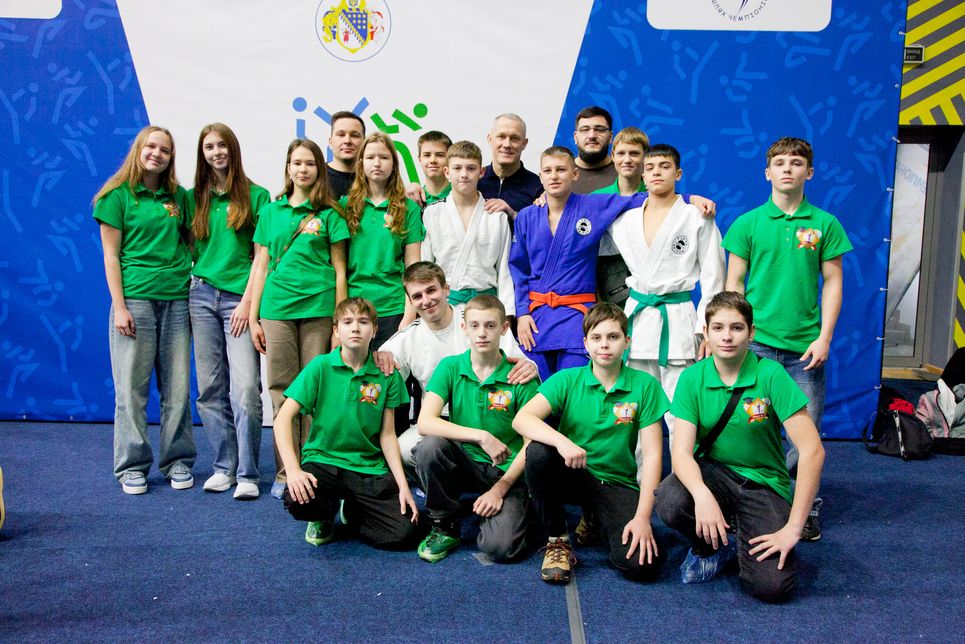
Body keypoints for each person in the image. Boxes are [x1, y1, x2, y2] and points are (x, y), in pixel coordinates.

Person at [655, 291, 825, 602]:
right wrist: (702, 495)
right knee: (670, 499)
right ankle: (713, 546)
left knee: (772, 588)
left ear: (751, 332)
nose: (727, 336)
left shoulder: (770, 374)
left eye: (736, 327)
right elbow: (680, 453)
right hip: (714, 475)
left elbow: (813, 451)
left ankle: (740, 531)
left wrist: (793, 528)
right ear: (706, 333)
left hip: (763, 483)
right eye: (718, 328)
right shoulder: (692, 378)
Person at [723, 137, 851, 541]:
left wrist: (824, 337)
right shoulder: (747, 224)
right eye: (779, 163)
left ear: (808, 172)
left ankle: (803, 509)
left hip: (804, 350)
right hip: (756, 347)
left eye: (796, 163)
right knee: (751, 429)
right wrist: (735, 338)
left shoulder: (824, 224)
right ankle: (750, 502)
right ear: (767, 173)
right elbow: (734, 284)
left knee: (804, 434)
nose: (787, 169)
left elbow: (833, 284)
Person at [513, 303, 666, 584]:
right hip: (573, 473)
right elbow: (522, 420)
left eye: (613, 337)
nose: (604, 345)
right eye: (596, 338)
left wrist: (643, 518)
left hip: (616, 482)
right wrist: (562, 442)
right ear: (585, 344)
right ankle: (558, 540)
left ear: (627, 341)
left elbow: (654, 456)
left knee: (641, 567)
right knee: (538, 452)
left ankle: (594, 517)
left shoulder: (645, 385)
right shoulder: (567, 380)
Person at [93, 125, 196, 495]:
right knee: (131, 391)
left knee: (178, 388)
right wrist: (120, 307)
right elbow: (111, 256)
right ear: (139, 149)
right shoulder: (116, 196)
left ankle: (178, 460)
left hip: (177, 300)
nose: (157, 154)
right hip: (135, 301)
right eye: (151, 146)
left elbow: (191, 242)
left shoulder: (179, 197)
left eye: (165, 150)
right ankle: (132, 466)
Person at [604, 143, 724, 448]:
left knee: (680, 407)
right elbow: (581, 223)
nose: (656, 172)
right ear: (642, 175)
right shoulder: (624, 219)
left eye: (665, 166)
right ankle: (641, 472)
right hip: (638, 319)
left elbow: (713, 277)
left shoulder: (696, 216)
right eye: (650, 167)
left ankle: (683, 473)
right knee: (637, 407)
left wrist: (707, 329)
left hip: (677, 319)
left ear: (678, 173)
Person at [249, 138, 349, 500]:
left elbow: (340, 271)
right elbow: (261, 266)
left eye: (309, 163)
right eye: (297, 163)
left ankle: (313, 466)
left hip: (318, 309)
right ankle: (285, 470)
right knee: (281, 389)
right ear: (288, 168)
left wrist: (338, 323)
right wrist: (254, 316)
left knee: (315, 391)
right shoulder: (270, 212)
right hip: (276, 310)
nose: (303, 169)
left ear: (319, 169)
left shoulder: (330, 215)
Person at [276, 297, 420, 549]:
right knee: (298, 499)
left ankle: (354, 508)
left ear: (374, 330)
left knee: (404, 533)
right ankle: (324, 513)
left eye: (363, 322)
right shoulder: (320, 367)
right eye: (347, 322)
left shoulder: (387, 374)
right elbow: (282, 419)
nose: (355, 328)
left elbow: (387, 434)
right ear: (336, 330)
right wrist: (293, 470)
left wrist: (402, 485)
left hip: (368, 467)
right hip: (324, 462)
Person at [412, 295, 539, 563]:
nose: (482, 333)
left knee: (501, 549)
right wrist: (481, 436)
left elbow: (532, 446)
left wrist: (500, 489)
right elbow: (425, 422)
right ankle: (444, 523)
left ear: (504, 328)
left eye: (490, 326)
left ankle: (515, 509)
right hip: (466, 462)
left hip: (506, 470)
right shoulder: (450, 366)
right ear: (464, 328)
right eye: (475, 325)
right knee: (429, 447)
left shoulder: (520, 376)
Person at [377, 262, 536, 460]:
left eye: (431, 290)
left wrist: (530, 366)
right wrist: (380, 356)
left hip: (490, 414)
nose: (426, 300)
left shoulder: (476, 319)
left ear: (446, 289)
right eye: (417, 296)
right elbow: (374, 369)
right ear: (410, 301)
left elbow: (521, 363)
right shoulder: (407, 338)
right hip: (440, 420)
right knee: (404, 450)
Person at [188, 123, 270, 500]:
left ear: (233, 149)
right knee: (210, 388)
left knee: (247, 388)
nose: (216, 152)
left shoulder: (258, 196)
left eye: (222, 145)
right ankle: (224, 466)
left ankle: (248, 472)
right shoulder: (194, 198)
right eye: (209, 147)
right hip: (201, 296)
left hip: (240, 300)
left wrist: (249, 304)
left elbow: (262, 258)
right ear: (202, 153)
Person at [342, 132, 425, 351]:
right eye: (370, 157)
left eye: (384, 157)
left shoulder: (409, 208)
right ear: (361, 162)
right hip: (354, 307)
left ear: (394, 163)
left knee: (392, 371)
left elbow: (413, 266)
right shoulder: (345, 206)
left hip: (393, 307)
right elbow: (337, 266)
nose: (377, 163)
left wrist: (409, 316)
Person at [421, 140, 514, 313]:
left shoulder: (496, 216)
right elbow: (425, 266)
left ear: (481, 172)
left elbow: (504, 270)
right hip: (445, 306)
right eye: (457, 168)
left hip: (487, 307)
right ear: (447, 172)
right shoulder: (432, 213)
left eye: (471, 168)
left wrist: (507, 313)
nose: (464, 174)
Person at [593, 126, 650, 306]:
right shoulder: (597, 198)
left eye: (634, 153)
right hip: (608, 285)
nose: (627, 160)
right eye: (621, 153)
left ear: (645, 157)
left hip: (649, 284)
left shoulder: (657, 197)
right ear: (612, 156)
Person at [477, 114, 543, 218]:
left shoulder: (538, 187)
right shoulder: (474, 180)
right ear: (490, 139)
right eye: (501, 137)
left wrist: (512, 214)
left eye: (514, 138)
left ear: (524, 143)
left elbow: (540, 226)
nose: (507, 144)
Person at [571, 106, 617, 194]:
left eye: (599, 130)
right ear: (575, 137)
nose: (592, 136)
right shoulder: (560, 175)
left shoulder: (625, 173)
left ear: (610, 137)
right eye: (585, 130)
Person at [327, 111, 365, 199]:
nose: (347, 141)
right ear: (330, 142)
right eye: (341, 135)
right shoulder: (317, 176)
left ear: (364, 142)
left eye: (354, 135)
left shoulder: (373, 178)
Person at [415, 130, 452, 206]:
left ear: (450, 159)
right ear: (420, 160)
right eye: (427, 155)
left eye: (439, 155)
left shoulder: (462, 196)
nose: (433, 160)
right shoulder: (414, 200)